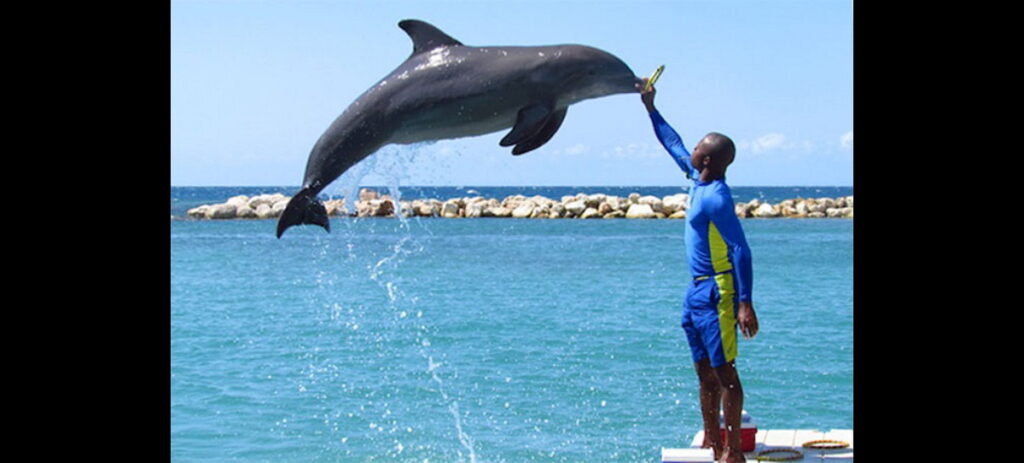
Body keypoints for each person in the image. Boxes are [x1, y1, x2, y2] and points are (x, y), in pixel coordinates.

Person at [637, 80, 759, 463]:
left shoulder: (717, 197)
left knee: (725, 372)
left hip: (718, 291)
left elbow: (740, 248)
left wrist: (745, 302)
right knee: (703, 370)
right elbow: (672, 143)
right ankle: (711, 437)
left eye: (697, 149)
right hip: (696, 291)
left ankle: (734, 451)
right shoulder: (695, 179)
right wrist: (651, 107)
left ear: (707, 160)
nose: (689, 150)